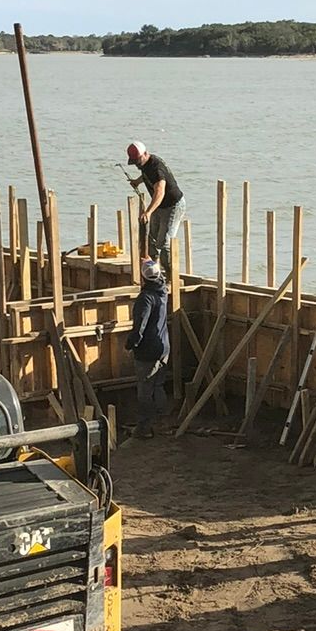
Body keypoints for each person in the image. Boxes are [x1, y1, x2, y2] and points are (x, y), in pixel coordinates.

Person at [125, 258, 170, 435]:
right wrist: (151, 262)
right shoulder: (163, 291)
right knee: (158, 386)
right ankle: (162, 423)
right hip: (163, 346)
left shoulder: (145, 299)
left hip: (148, 351)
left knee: (145, 390)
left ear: (142, 278)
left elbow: (139, 328)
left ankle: (144, 428)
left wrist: (130, 344)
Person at [125, 142, 186, 270]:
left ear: (145, 154)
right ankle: (154, 272)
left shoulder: (156, 167)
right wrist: (137, 181)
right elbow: (147, 175)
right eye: (134, 162)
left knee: (164, 243)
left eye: (137, 161)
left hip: (173, 206)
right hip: (159, 206)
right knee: (151, 239)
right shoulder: (146, 165)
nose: (137, 165)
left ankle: (170, 277)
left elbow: (160, 191)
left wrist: (148, 212)